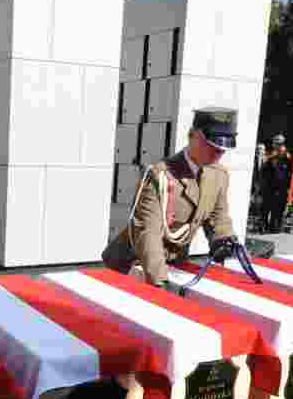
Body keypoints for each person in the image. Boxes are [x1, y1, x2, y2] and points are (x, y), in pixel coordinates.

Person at [101, 107, 240, 287]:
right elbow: (148, 233)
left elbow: (217, 215)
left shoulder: (218, 175)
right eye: (211, 145)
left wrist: (222, 238)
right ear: (192, 135)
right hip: (134, 265)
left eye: (222, 149)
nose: (218, 153)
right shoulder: (160, 176)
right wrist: (160, 281)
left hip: (176, 266)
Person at [260, 134, 292, 232]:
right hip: (269, 190)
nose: (277, 146)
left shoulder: (288, 159)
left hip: (282, 190)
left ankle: (276, 230)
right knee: (265, 212)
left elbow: (292, 174)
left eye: (279, 144)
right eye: (275, 144)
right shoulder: (269, 158)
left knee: (278, 214)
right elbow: (263, 173)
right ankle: (263, 229)